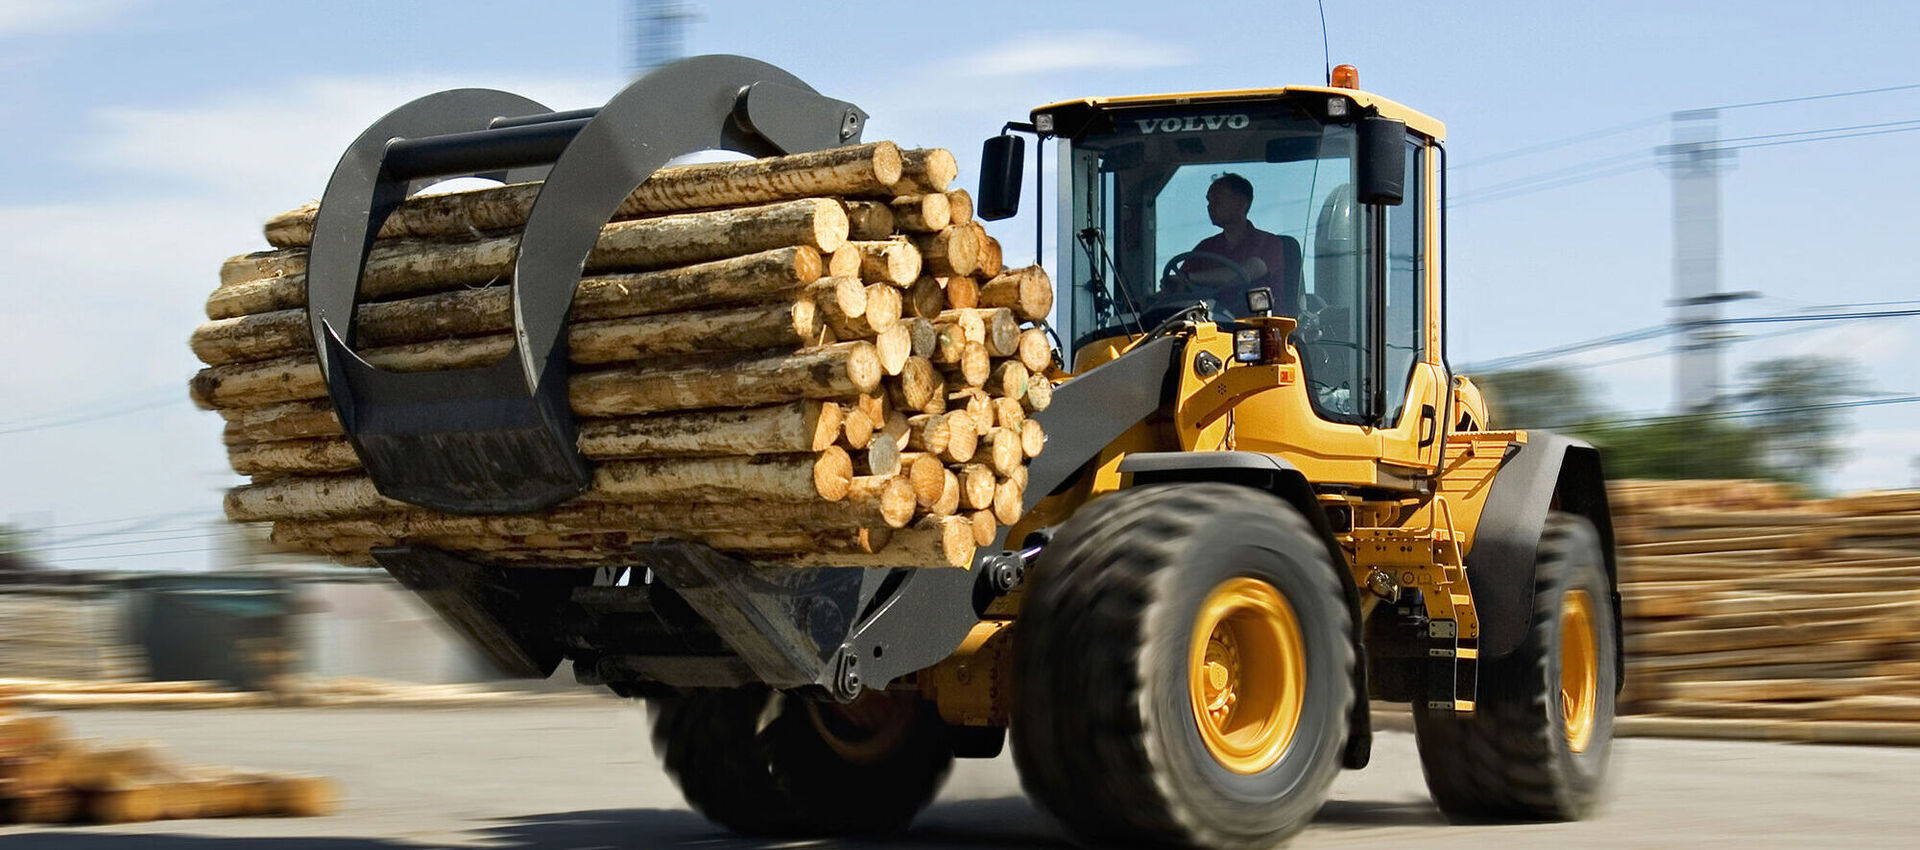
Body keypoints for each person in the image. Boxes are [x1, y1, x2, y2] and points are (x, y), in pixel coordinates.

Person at [1165, 173, 1297, 314]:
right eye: (1209, 201)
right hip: (1211, 325)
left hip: (1259, 327)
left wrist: (1189, 278)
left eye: (1217, 199)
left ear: (1241, 202)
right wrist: (1176, 286)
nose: (1210, 206)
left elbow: (1244, 273)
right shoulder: (1205, 248)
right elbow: (1182, 283)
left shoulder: (1269, 243)